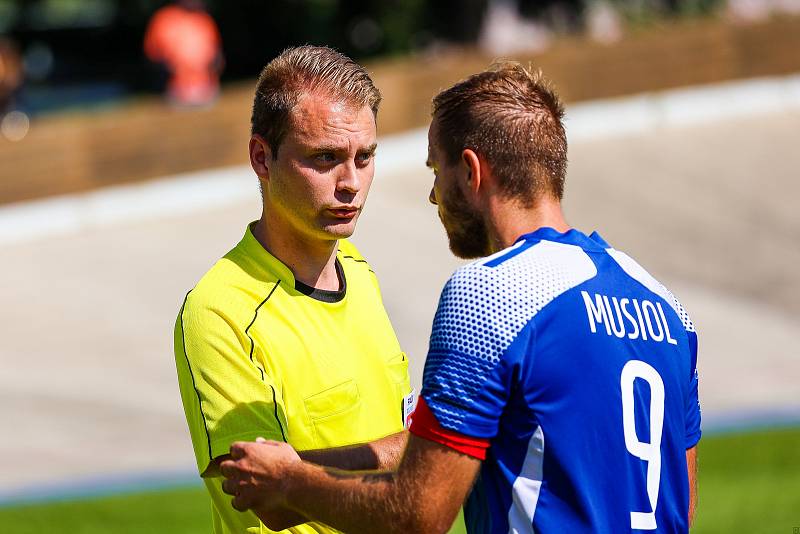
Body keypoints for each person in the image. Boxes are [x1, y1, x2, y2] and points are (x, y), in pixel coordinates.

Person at [219, 62, 701, 533]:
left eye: (436, 170)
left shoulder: (490, 295)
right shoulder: (666, 306)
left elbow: (417, 514)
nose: (433, 196)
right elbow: (682, 502)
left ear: (470, 171)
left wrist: (289, 484)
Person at [174, 45, 414, 534]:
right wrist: (433, 441)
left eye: (364, 157)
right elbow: (270, 500)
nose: (351, 182)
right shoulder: (219, 312)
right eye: (325, 158)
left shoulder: (359, 271)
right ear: (262, 158)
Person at [144, 0, 223, 106]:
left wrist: (215, 64)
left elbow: (216, 54)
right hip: (177, 92)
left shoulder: (204, 19)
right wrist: (168, 71)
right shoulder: (164, 19)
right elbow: (152, 55)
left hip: (207, 90)